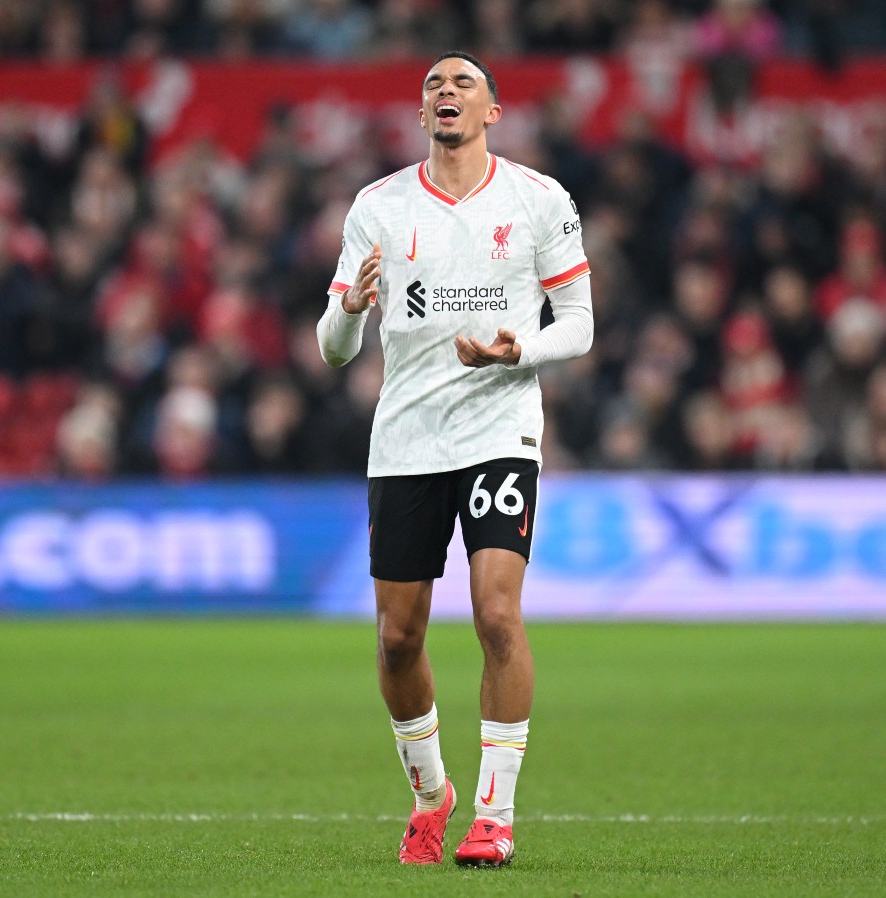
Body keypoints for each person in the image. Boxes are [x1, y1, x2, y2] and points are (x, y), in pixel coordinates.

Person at [317, 51, 593, 868]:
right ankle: (430, 795)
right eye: (434, 83)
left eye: (463, 83)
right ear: (421, 111)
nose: (445, 92)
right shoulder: (378, 207)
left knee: (497, 614)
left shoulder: (540, 200)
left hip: (499, 428)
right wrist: (351, 310)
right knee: (398, 636)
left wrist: (520, 351)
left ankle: (494, 815)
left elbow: (578, 323)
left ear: (493, 112)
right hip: (405, 437)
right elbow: (333, 349)